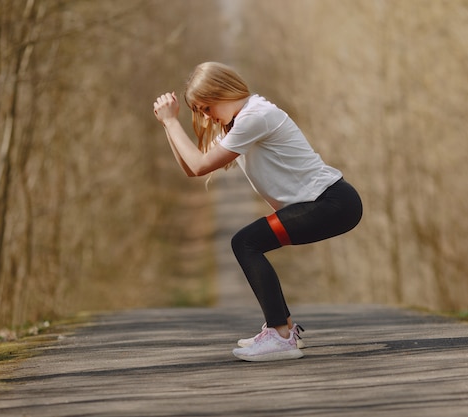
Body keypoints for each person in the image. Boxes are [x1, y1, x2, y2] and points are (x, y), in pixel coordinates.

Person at [153, 62, 363, 362]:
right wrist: (167, 125)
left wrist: (173, 123)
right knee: (249, 242)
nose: (205, 116)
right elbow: (192, 168)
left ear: (221, 92)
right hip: (325, 203)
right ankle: (284, 330)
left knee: (246, 242)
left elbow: (199, 167)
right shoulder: (242, 121)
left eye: (205, 108)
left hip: (332, 202)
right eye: (199, 111)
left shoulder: (256, 117)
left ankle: (279, 335)